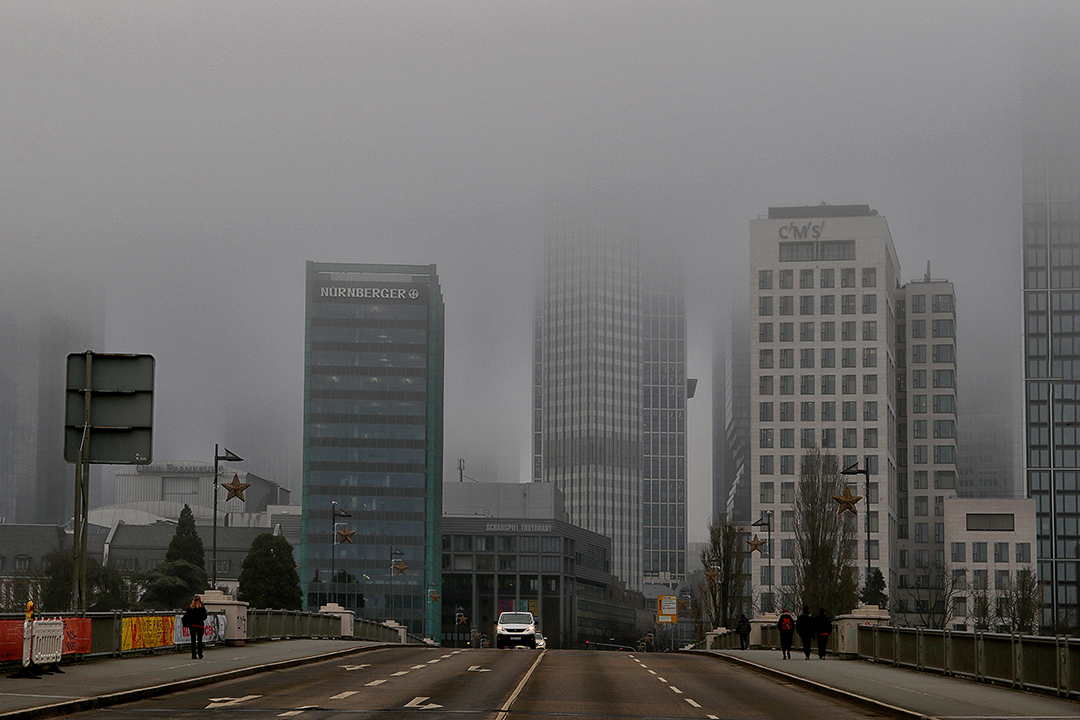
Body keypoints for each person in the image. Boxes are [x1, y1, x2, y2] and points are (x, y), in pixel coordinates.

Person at [182, 595, 208, 659]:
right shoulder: (202, 608)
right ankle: (200, 653)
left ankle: (193, 654)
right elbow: (205, 616)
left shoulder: (191, 608)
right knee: (200, 640)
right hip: (200, 625)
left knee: (193, 640)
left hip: (192, 625)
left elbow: (186, 616)